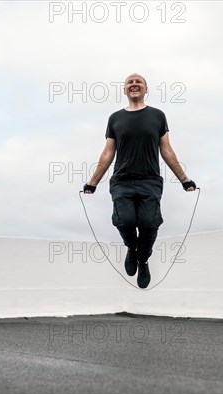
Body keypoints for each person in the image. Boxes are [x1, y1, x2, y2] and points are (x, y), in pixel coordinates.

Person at [83, 73, 196, 289]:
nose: (134, 85)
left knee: (148, 223)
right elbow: (108, 153)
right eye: (130, 83)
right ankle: (131, 248)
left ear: (146, 89)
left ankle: (143, 260)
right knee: (125, 220)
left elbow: (166, 150)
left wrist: (185, 180)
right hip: (122, 181)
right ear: (125, 90)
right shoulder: (115, 118)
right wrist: (92, 182)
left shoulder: (158, 116)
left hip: (150, 180)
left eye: (139, 82)